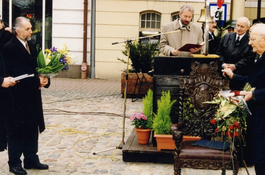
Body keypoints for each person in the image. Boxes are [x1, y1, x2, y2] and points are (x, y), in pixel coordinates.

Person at [1, 16, 50, 175]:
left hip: (32, 96)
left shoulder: (33, 46)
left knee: (31, 127)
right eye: (27, 29)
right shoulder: (9, 48)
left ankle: (31, 158)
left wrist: (45, 79)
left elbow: (38, 68)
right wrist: (37, 81)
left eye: (30, 28)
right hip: (17, 97)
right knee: (17, 130)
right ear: (17, 31)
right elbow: (16, 73)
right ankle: (14, 162)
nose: (31, 31)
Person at [222, 23, 265, 175]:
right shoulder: (260, 58)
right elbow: (253, 81)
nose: (250, 42)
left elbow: (257, 89)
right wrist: (234, 77)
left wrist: (254, 94)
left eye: (252, 39)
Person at [216, 17, 256, 90]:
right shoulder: (227, 37)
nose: (239, 28)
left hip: (240, 76)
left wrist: (235, 66)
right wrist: (223, 64)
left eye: (242, 26)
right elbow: (219, 52)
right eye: (238, 25)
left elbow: (249, 59)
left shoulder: (250, 40)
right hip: (223, 74)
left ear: (247, 28)